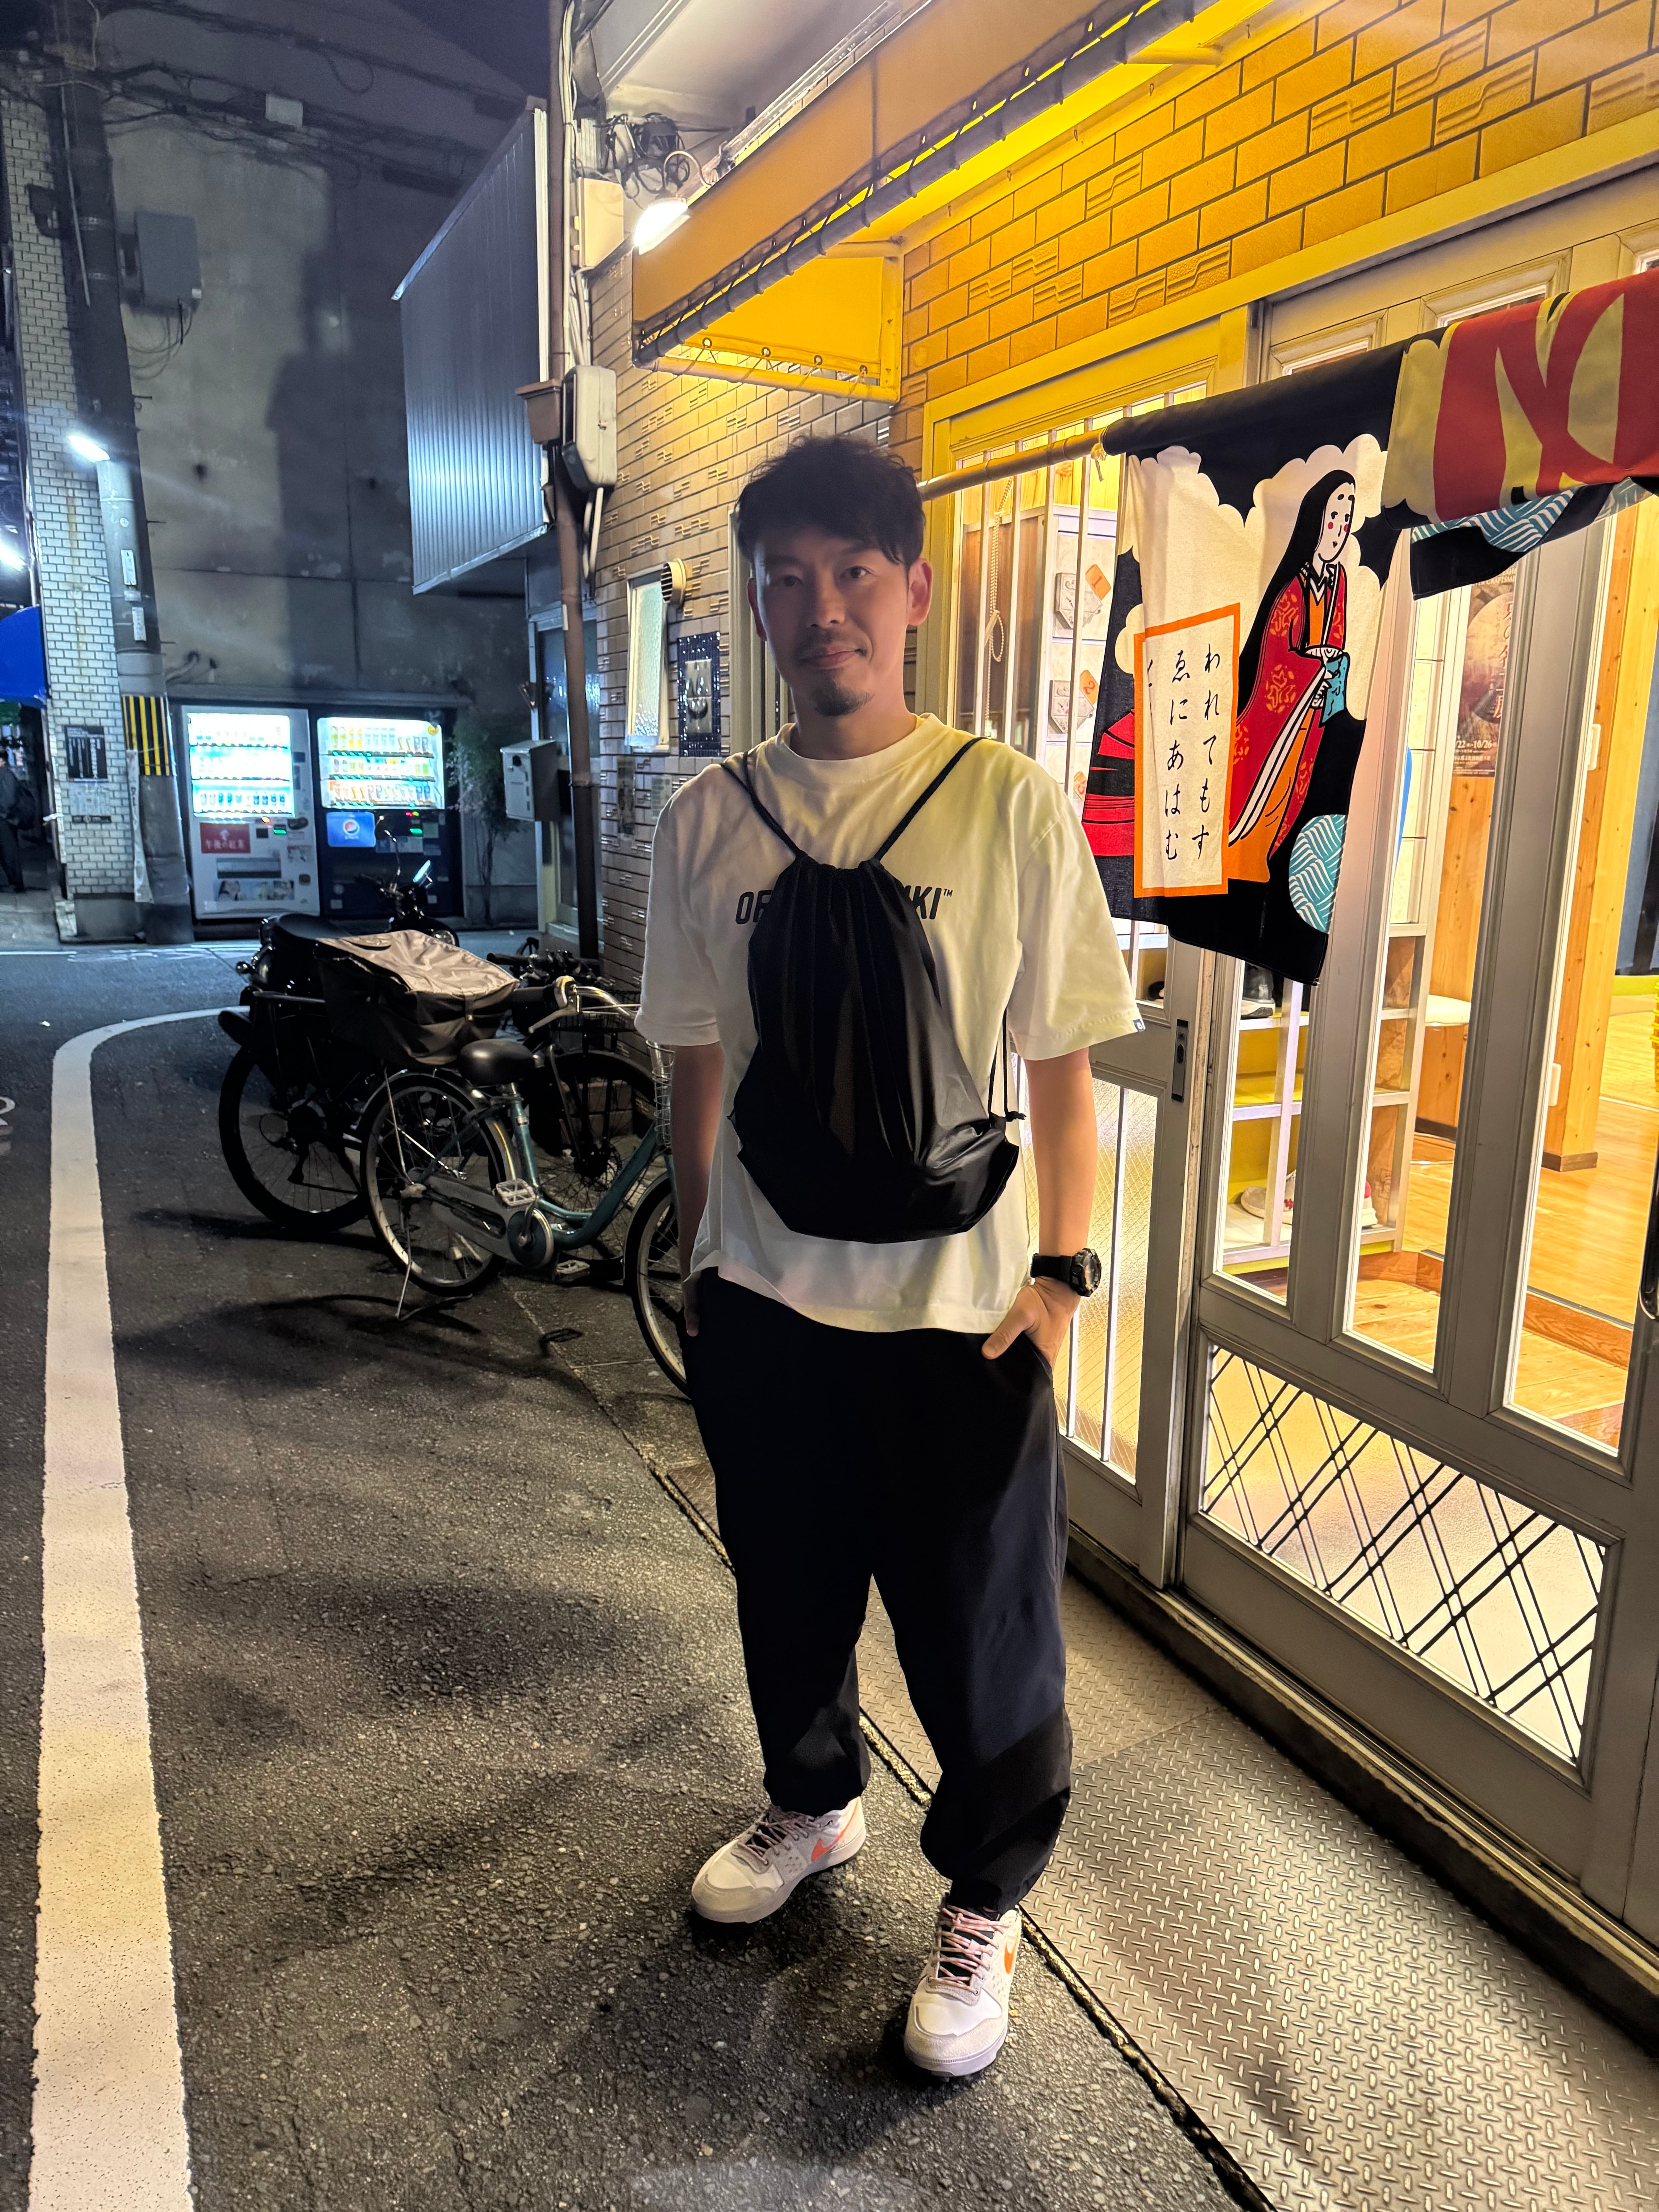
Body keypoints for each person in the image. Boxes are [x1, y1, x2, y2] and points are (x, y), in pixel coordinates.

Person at [636, 434, 1139, 2080]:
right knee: (784, 1597)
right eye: (785, 579)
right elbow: (693, 1067)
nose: (820, 608)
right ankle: (812, 1803)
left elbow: (1062, 1067)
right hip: (769, 1311)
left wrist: (1060, 1276)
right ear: (759, 606)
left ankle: (984, 1908)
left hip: (961, 1323)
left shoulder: (1004, 803)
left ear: (913, 589)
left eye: (852, 571)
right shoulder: (704, 819)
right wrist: (703, 1267)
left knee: (982, 1646)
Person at [0, 757, 26, 892]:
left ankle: (16, 884)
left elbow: (9, 799)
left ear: (3, 760)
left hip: (5, 820)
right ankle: (13, 883)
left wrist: (3, 813)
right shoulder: (6, 774)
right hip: (5, 818)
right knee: (7, 853)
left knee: (9, 853)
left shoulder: (5, 774)